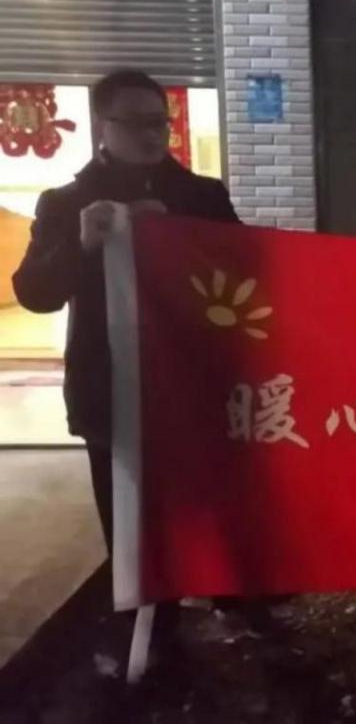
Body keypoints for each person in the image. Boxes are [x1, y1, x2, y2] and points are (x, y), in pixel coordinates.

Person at [12, 70, 239, 604]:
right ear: (102, 126)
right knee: (128, 516)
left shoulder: (203, 197)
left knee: (210, 503)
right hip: (108, 385)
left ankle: (230, 596)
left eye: (159, 122)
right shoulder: (66, 204)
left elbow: (247, 272)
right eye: (134, 122)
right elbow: (35, 293)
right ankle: (150, 623)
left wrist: (183, 236)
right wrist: (82, 245)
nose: (151, 134)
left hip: (193, 383)